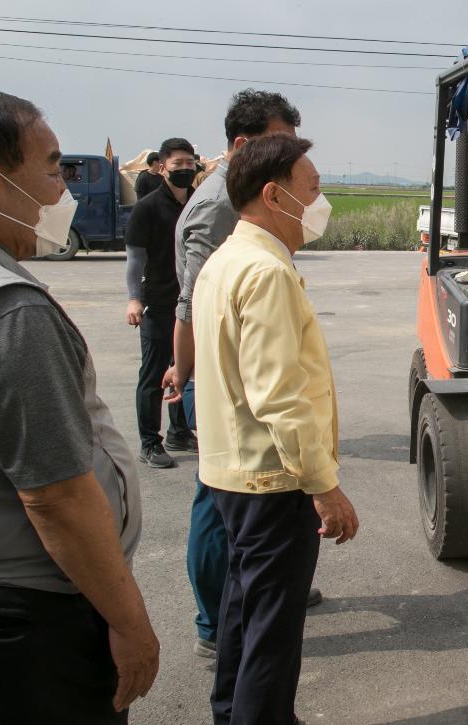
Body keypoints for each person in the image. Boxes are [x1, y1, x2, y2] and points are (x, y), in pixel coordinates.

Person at [0, 88, 158, 723]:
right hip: (30, 615)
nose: (62, 190)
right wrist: (129, 622)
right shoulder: (7, 313)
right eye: (50, 168)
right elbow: (57, 496)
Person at [193, 133, 356, 725]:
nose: (321, 202)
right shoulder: (266, 273)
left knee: (243, 610)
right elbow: (280, 395)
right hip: (272, 480)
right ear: (273, 195)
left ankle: (231, 712)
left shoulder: (226, 260)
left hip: (232, 475)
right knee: (272, 632)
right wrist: (323, 485)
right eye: (312, 190)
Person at [162, 90, 319, 661]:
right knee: (219, 507)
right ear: (243, 147)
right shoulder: (219, 213)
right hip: (228, 390)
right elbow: (196, 305)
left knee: (244, 544)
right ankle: (214, 620)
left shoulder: (246, 216)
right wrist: (183, 372)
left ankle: (235, 615)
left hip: (232, 374)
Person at [126, 137, 197, 469]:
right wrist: (133, 299)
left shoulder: (198, 204)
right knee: (154, 373)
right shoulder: (148, 207)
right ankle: (149, 441)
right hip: (159, 301)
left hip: (191, 303)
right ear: (162, 167)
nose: (184, 169)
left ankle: (179, 432)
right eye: (177, 164)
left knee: (183, 368)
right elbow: (134, 260)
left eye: (189, 163)